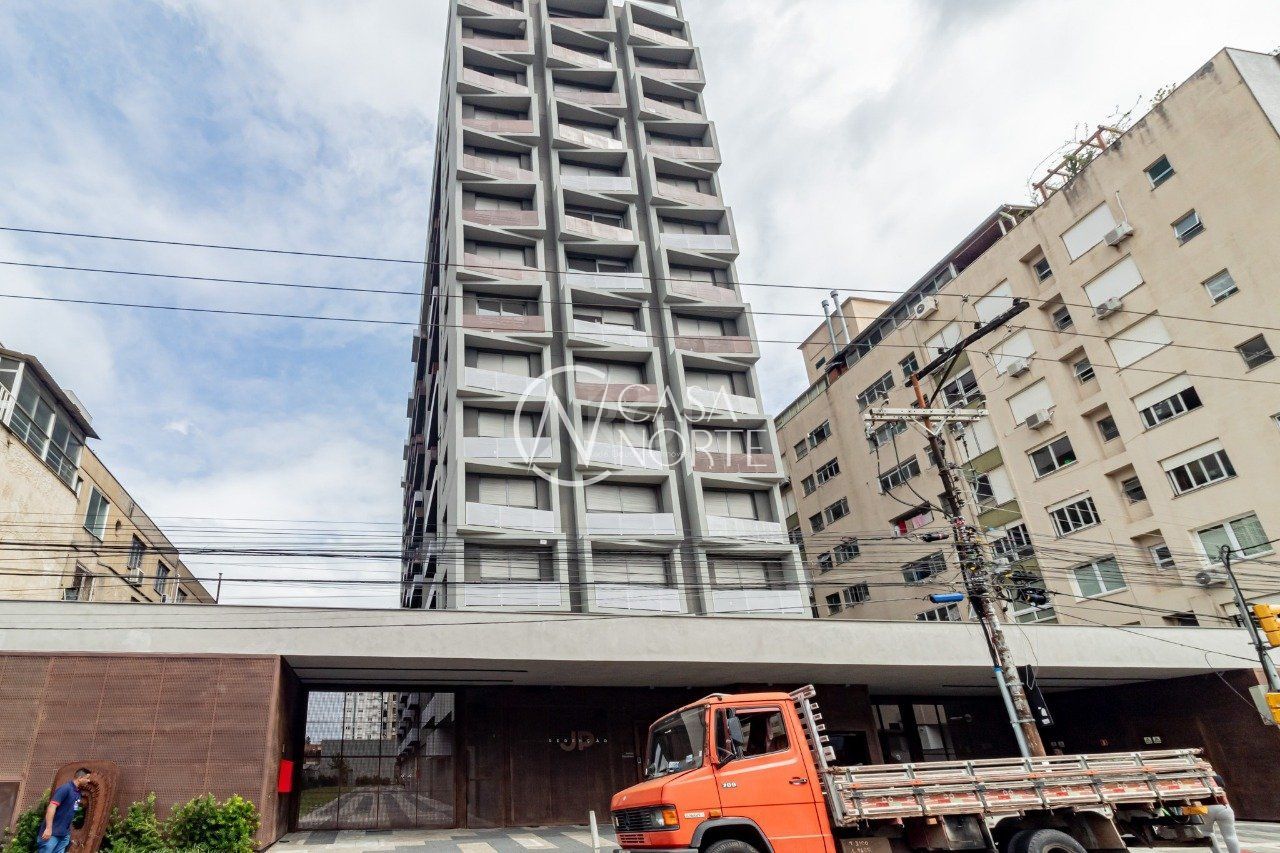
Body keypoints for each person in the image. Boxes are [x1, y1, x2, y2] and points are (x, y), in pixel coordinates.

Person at [39, 767, 91, 853]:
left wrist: (67, 833)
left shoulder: (77, 792)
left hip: (64, 834)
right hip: (52, 834)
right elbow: (51, 807)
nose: (88, 781)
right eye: (87, 778)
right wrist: (48, 828)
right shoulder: (65, 789)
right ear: (80, 778)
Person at [1207, 773, 1241, 853]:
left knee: (1208, 833)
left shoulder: (1196, 778)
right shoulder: (1217, 777)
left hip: (1206, 808)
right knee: (1230, 835)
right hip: (1224, 806)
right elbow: (1223, 786)